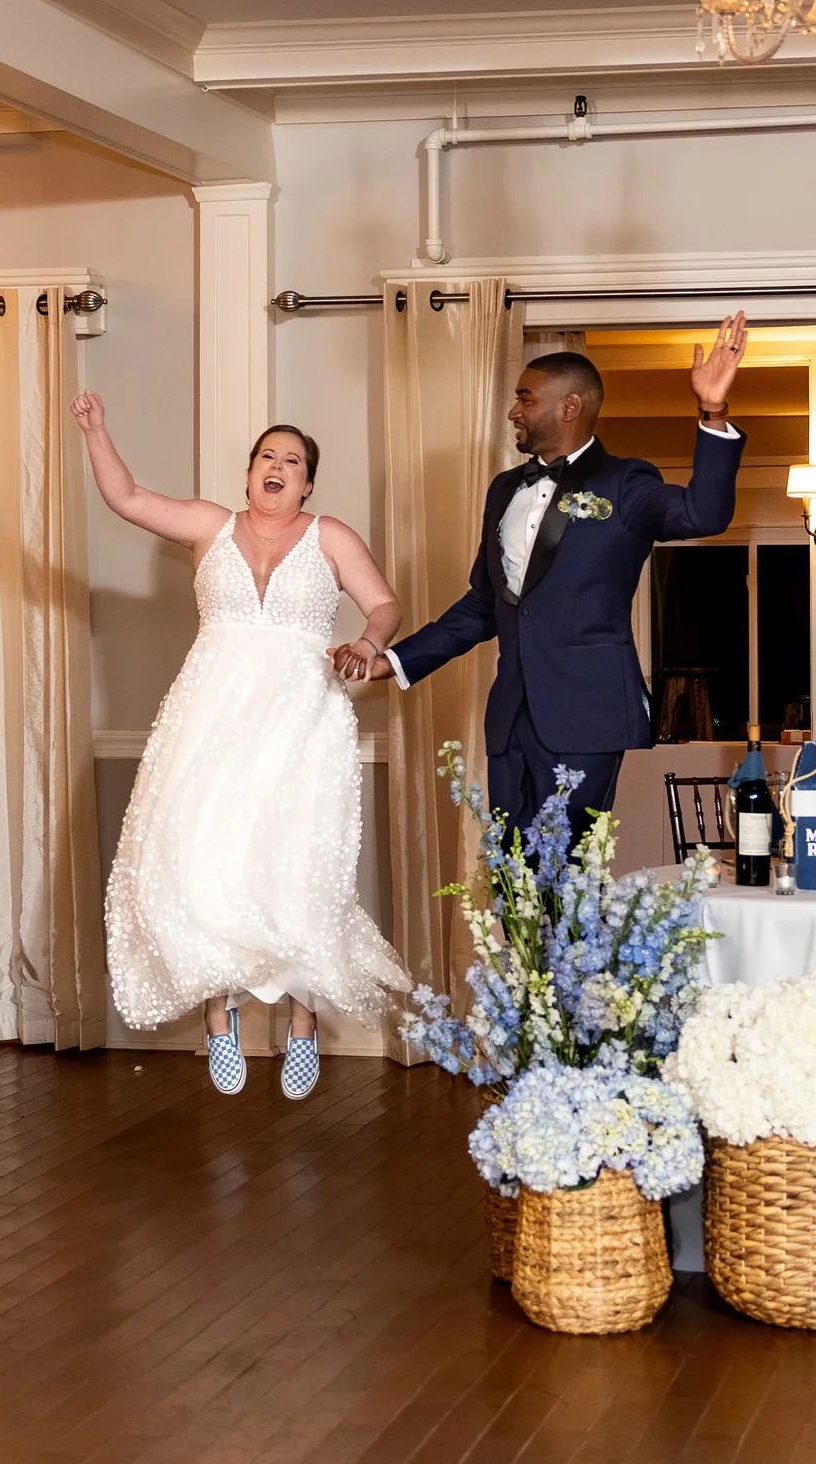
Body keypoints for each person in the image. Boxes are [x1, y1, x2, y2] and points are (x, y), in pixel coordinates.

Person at [72, 395, 408, 1100]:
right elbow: (127, 498)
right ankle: (217, 1015)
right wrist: (98, 431)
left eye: (293, 461)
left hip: (300, 717)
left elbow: (384, 604)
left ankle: (301, 1024)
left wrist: (368, 644)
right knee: (205, 855)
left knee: (296, 860)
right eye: (267, 457)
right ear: (250, 472)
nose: (277, 467)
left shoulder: (330, 536)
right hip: (209, 715)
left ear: (308, 483)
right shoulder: (209, 526)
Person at [339, 321, 748, 845]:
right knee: (515, 876)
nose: (513, 411)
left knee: (569, 875)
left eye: (524, 399)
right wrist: (394, 661)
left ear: (569, 407)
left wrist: (713, 413)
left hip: (589, 713)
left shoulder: (626, 483)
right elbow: (484, 605)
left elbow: (703, 514)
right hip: (510, 716)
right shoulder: (504, 488)